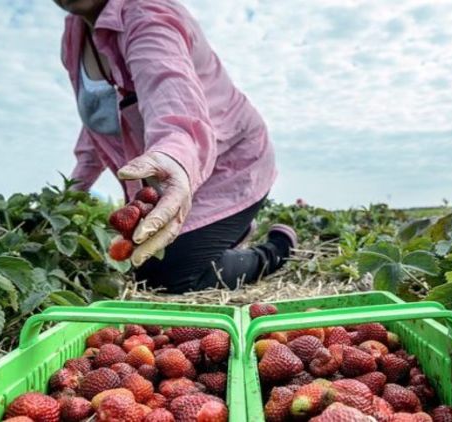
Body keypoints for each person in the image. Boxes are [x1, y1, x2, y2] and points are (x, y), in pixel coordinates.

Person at [52, 0, 297, 293]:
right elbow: (98, 119)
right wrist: (72, 193)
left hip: (231, 160)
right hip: (170, 174)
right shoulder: (74, 36)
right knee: (139, 256)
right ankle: (222, 230)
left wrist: (174, 157)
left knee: (166, 276)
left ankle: (276, 250)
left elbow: (171, 96)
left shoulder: (147, 16)